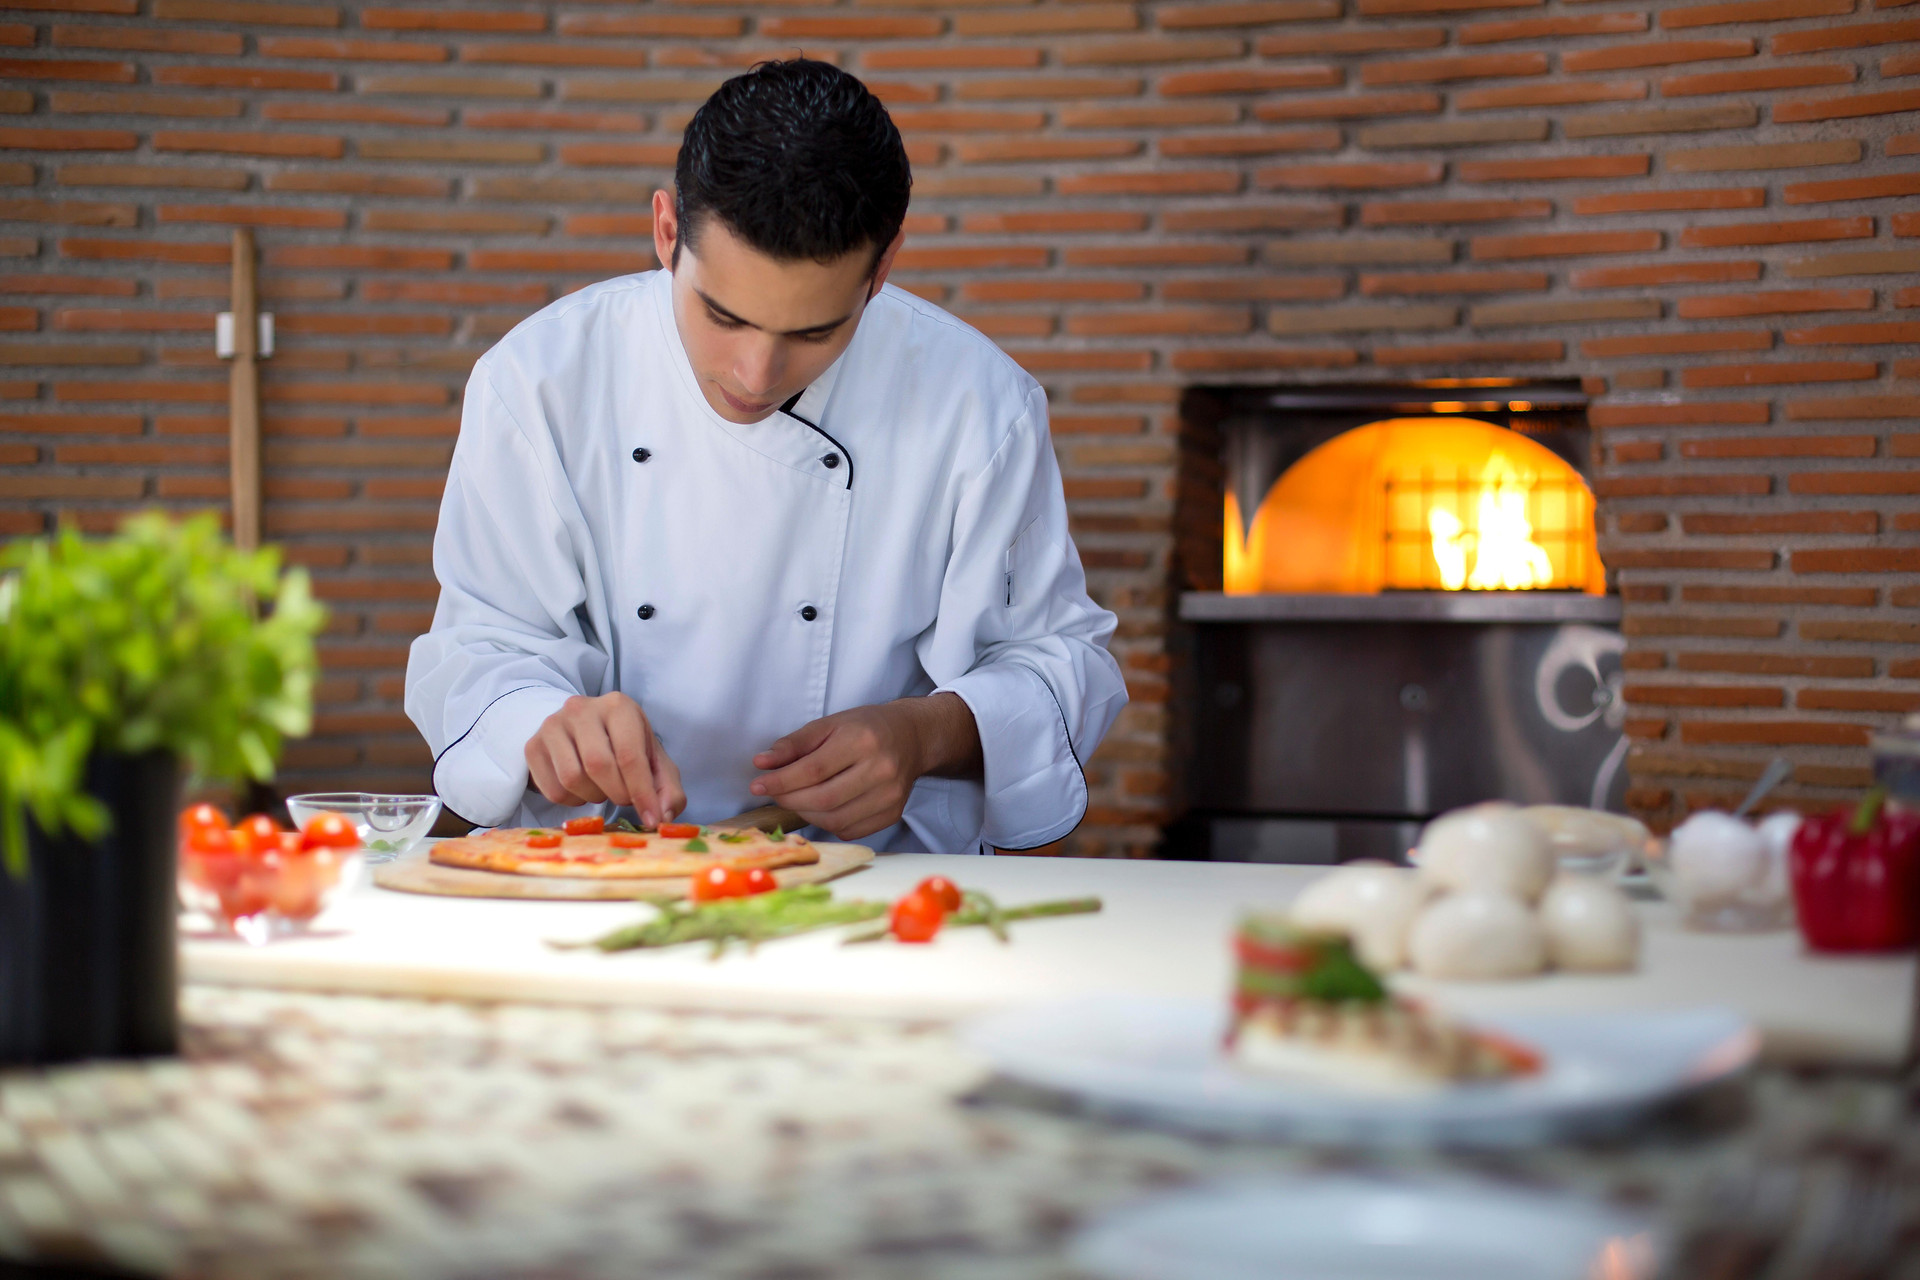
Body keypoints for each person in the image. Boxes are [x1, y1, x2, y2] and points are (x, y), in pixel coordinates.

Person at [405, 59, 1126, 853]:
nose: (755, 374)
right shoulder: (538, 380)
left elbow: (1060, 661)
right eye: (723, 317)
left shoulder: (979, 403)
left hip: (875, 877)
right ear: (667, 232)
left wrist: (924, 733)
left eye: (814, 332)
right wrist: (545, 721)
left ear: (882, 269)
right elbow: (479, 645)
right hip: (597, 867)